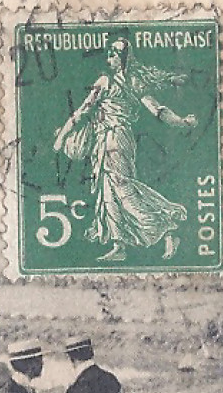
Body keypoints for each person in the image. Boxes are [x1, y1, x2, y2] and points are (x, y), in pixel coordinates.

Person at [53, 38, 194, 262]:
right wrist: (182, 122)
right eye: (109, 53)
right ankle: (119, 246)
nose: (109, 57)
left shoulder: (118, 81)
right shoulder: (120, 81)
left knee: (121, 189)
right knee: (108, 190)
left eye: (114, 53)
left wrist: (180, 122)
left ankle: (167, 227)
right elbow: (84, 110)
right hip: (107, 140)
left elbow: (155, 109)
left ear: (123, 58)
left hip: (115, 140)